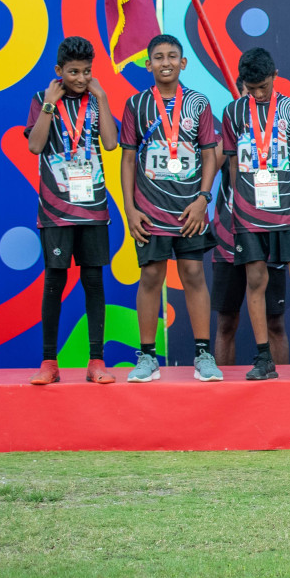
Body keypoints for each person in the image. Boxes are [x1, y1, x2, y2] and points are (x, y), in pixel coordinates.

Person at [119, 34, 221, 382]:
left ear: (183, 63)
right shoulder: (135, 105)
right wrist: (130, 209)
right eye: (158, 57)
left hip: (189, 210)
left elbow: (210, 154)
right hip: (149, 210)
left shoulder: (199, 103)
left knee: (193, 275)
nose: (165, 62)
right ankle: (147, 357)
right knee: (150, 276)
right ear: (148, 64)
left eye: (172, 56)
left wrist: (202, 199)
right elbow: (129, 158)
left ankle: (203, 354)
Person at [222, 47, 290, 380]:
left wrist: (286, 190)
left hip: (286, 210)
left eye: (263, 87)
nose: (257, 93)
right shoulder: (233, 111)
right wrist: (240, 200)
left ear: (274, 76)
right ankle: (264, 358)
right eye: (251, 88)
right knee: (256, 278)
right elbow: (231, 163)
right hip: (248, 211)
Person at [26, 37, 119, 385]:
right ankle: (49, 362)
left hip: (93, 208)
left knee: (93, 282)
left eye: (87, 71)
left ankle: (96, 362)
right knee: (54, 282)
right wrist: (50, 106)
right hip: (55, 209)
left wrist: (104, 98)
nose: (81, 78)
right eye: (73, 72)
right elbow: (35, 145)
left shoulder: (95, 102)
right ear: (59, 71)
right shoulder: (41, 100)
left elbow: (110, 143)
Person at [211, 158, 289, 367]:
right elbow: (208, 162)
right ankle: (224, 395)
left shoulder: (277, 138)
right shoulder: (229, 134)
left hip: (269, 240)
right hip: (229, 240)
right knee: (226, 322)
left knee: (274, 323)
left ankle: (282, 395)